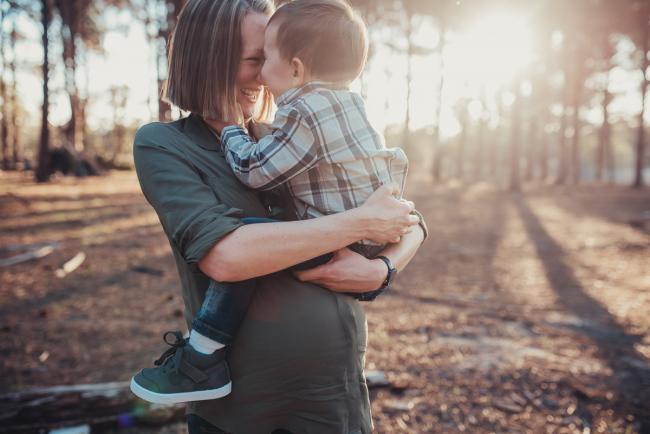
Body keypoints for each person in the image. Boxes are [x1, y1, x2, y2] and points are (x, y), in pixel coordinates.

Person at [129, 0, 427, 432]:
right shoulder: (165, 144)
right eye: (257, 59)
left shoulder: (287, 134)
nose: (266, 74)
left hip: (334, 395)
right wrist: (360, 223)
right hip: (246, 408)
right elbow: (227, 257)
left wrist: (382, 270)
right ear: (210, 60)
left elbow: (408, 218)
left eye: (272, 56)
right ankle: (198, 363)